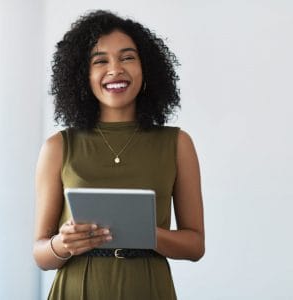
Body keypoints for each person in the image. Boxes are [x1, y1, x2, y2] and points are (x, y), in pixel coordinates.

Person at [33, 10, 205, 300]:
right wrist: (63, 243)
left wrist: (145, 233)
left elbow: (195, 246)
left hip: (148, 288)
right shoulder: (58, 146)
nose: (115, 69)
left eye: (127, 57)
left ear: (146, 68)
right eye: (100, 61)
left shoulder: (177, 143)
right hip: (77, 288)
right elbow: (41, 255)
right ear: (82, 76)